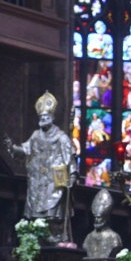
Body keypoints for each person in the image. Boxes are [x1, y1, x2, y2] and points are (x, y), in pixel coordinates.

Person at [4, 91, 77, 242]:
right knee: (35, 216)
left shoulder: (62, 138)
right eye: (41, 117)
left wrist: (72, 176)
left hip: (54, 183)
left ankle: (55, 237)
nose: (43, 119)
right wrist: (12, 148)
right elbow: (25, 151)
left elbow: (70, 158)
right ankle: (38, 237)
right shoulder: (36, 136)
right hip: (37, 183)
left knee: (53, 216)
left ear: (52, 118)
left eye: (46, 116)